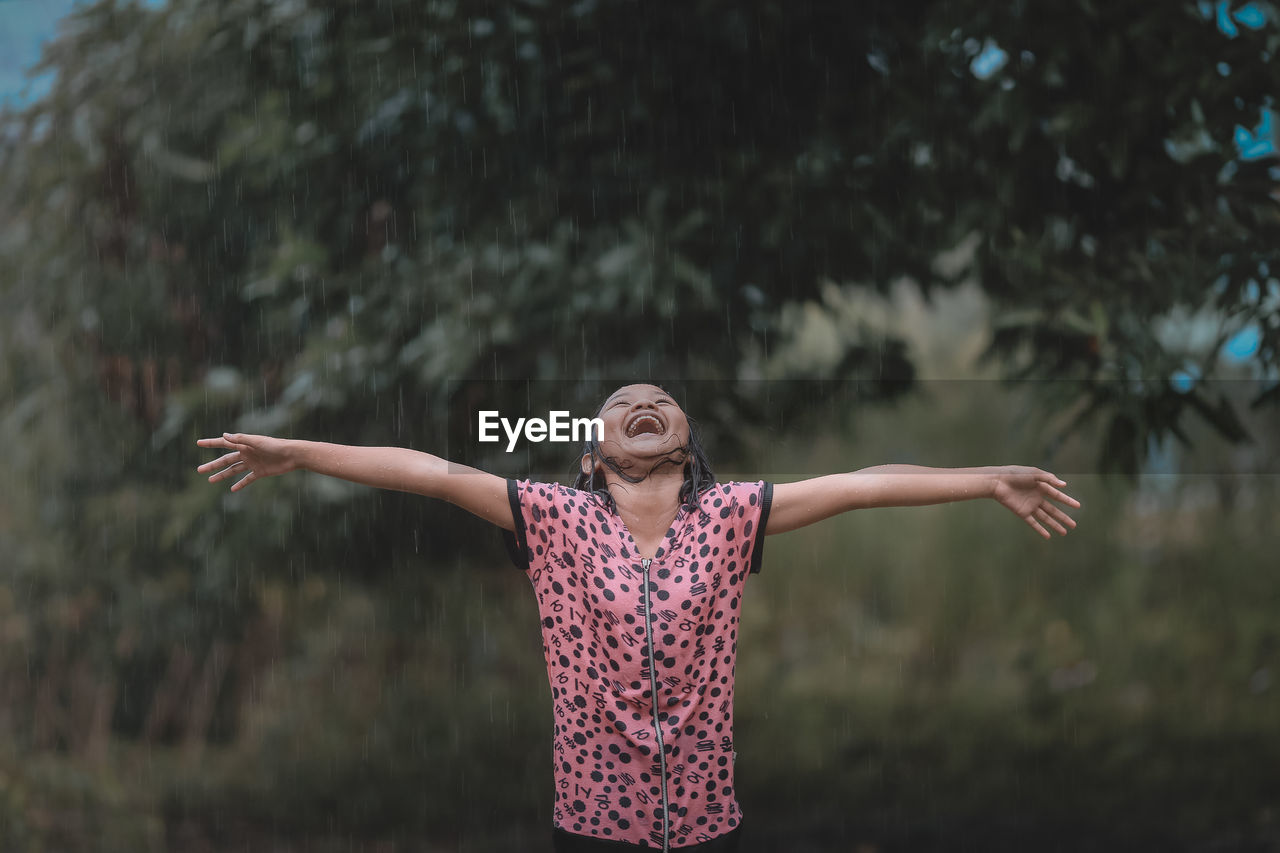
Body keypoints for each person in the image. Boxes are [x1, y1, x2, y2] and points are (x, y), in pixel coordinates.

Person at [197, 383, 1079, 852]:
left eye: (659, 396)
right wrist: (296, 451)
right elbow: (428, 470)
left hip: (706, 822)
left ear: (687, 439)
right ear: (595, 450)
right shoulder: (553, 517)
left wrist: (988, 479)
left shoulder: (732, 514)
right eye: (622, 401)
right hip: (592, 825)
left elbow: (862, 484)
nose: (641, 400)